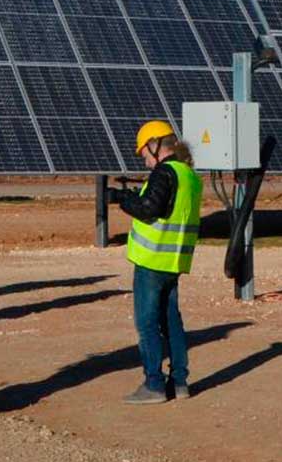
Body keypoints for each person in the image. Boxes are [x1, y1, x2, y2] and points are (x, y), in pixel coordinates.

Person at [106, 120, 203, 405]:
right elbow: (166, 209)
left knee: (147, 323)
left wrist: (123, 199)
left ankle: (154, 384)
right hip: (174, 261)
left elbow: (150, 208)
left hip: (152, 261)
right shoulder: (189, 175)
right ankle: (180, 382)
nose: (145, 159)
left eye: (144, 153)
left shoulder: (164, 172)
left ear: (156, 145)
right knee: (171, 321)